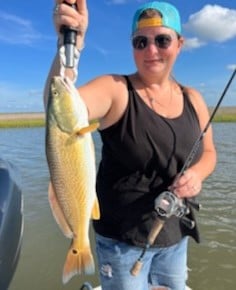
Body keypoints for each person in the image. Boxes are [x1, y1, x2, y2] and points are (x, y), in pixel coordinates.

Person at [44, 1, 217, 289]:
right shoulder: (115, 89)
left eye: (162, 40)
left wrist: (197, 176)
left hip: (174, 234)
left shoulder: (194, 99)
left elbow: (209, 153)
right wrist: (70, 42)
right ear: (132, 46)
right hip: (122, 243)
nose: (151, 50)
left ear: (179, 43)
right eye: (140, 42)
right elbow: (58, 106)